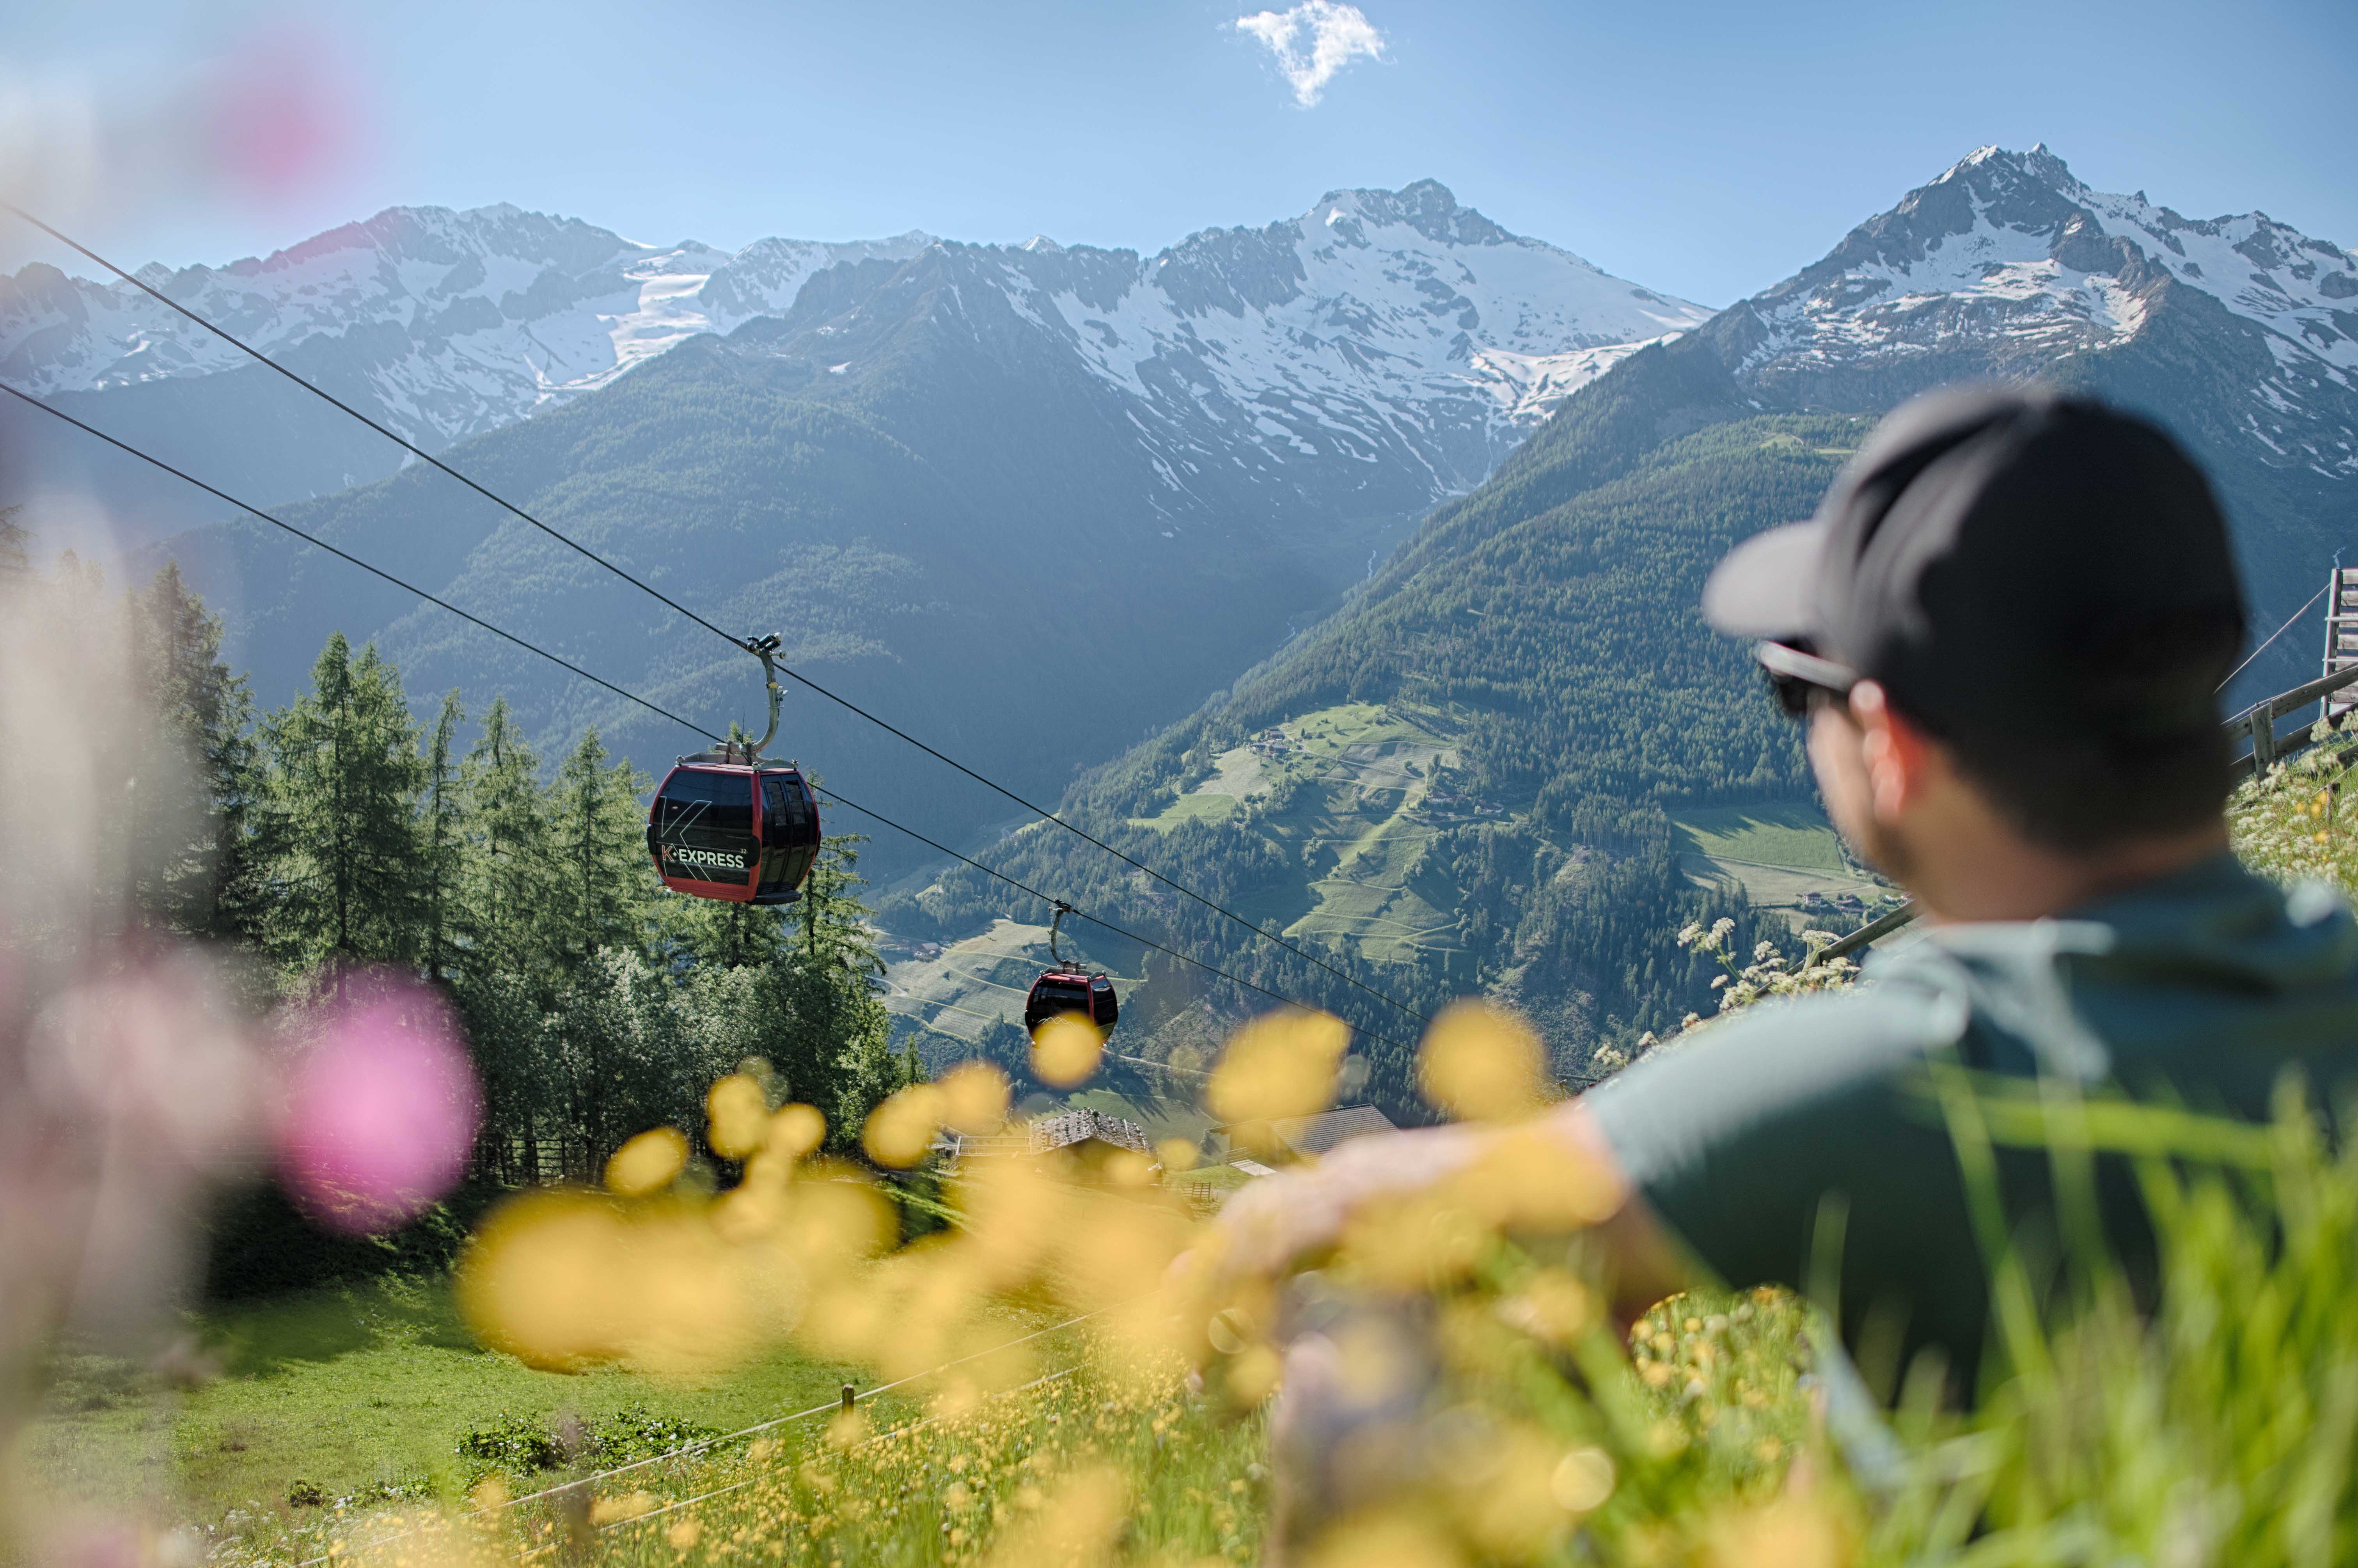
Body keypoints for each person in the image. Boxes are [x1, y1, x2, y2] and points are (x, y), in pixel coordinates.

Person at [1193, 385, 2358, 1536]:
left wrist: (1224, 1256)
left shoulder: (1914, 1074)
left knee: (1359, 1373)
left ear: (1891, 743)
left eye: (1800, 690)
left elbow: (1365, 1221)